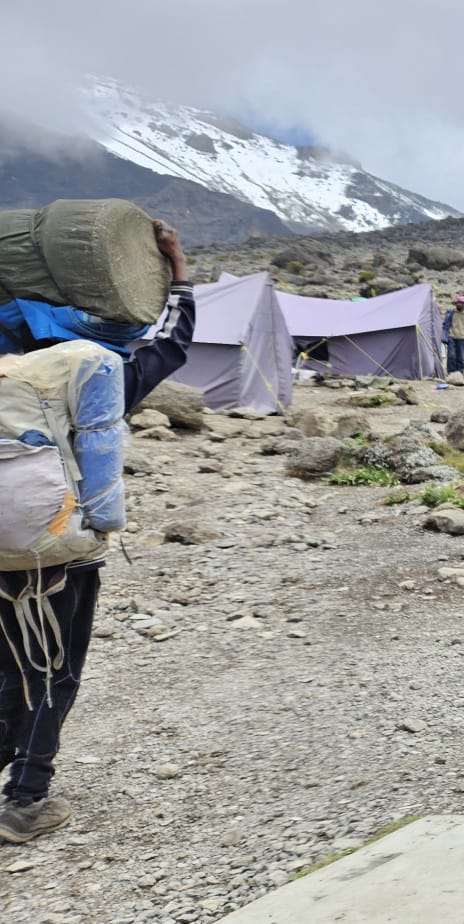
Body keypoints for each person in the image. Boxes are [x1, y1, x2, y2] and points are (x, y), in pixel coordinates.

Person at [0, 219, 193, 844]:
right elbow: (172, 345)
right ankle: (25, 801)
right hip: (59, 552)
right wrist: (177, 269)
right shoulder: (94, 376)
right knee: (53, 672)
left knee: (11, 670)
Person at [444, 295, 464, 375]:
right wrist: (445, 336)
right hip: (452, 337)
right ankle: (451, 373)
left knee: (461, 357)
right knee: (451, 356)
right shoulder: (451, 313)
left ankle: (460, 373)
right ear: (455, 303)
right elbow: (446, 325)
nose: (459, 304)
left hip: (463, 338)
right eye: (458, 303)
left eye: (461, 303)